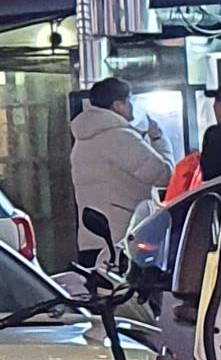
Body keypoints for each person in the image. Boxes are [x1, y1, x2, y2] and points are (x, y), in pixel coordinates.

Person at [68, 76, 172, 262]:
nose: (131, 106)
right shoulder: (120, 138)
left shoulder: (82, 140)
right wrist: (158, 140)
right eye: (128, 101)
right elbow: (164, 175)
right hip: (120, 240)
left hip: (91, 239)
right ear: (117, 105)